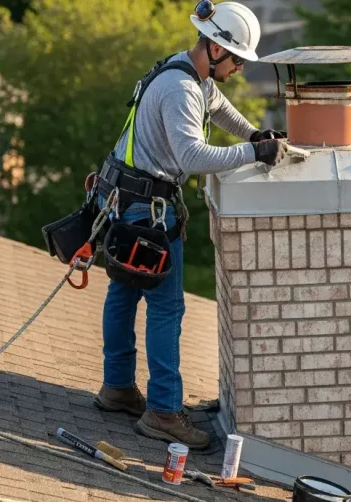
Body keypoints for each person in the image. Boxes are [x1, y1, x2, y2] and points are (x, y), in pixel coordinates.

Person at [92, 0, 288, 450]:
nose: (240, 66)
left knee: (122, 291)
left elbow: (219, 109)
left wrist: (254, 133)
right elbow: (194, 159)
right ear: (216, 49)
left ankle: (117, 388)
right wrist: (253, 154)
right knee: (166, 309)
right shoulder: (181, 91)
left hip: (122, 195)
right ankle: (163, 411)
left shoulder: (184, 70)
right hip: (146, 210)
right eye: (237, 57)